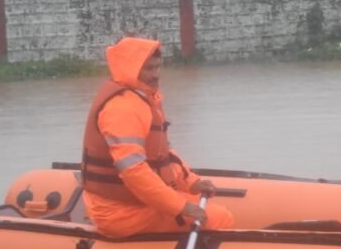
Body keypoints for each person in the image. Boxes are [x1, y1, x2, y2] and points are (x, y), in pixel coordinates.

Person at [81, 36, 234, 237]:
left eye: (157, 67)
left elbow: (163, 155)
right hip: (119, 212)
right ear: (130, 69)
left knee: (211, 211)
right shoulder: (122, 109)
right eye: (148, 69)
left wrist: (191, 182)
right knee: (219, 218)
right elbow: (134, 172)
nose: (156, 75)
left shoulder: (141, 100)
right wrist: (181, 207)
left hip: (136, 203)